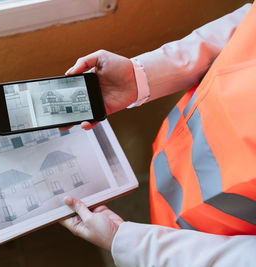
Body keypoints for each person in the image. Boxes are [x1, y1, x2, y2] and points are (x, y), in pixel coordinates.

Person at [60, 3, 256, 266]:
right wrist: (139, 77)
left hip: (206, 237)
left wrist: (132, 242)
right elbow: (249, 26)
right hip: (175, 162)